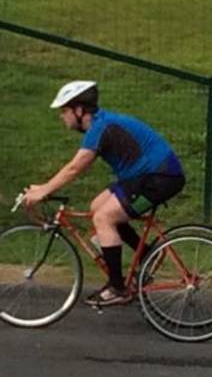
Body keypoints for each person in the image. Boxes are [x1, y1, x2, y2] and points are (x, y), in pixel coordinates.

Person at [24, 80, 186, 307]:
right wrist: (43, 188)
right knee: (96, 207)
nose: (62, 116)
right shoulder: (101, 124)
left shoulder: (100, 129)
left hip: (160, 177)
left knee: (104, 218)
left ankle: (118, 289)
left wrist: (43, 190)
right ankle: (148, 254)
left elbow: (75, 167)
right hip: (144, 176)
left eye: (64, 110)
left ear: (79, 110)